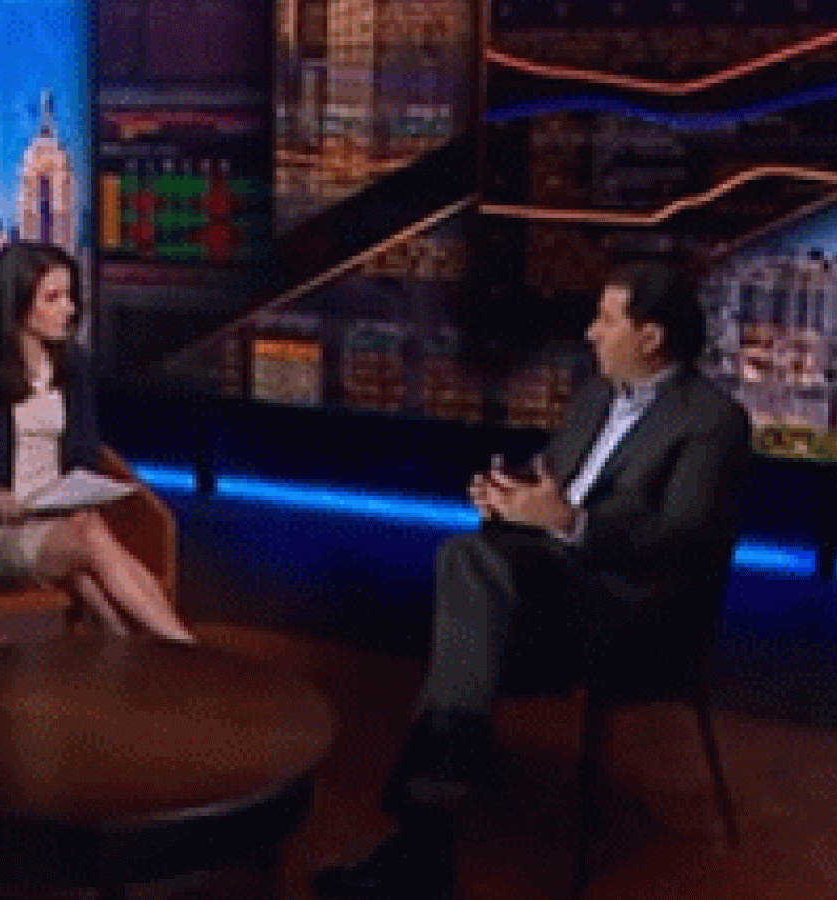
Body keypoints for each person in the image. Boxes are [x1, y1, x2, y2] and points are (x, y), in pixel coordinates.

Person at [314, 260, 752, 899]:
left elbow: (683, 541)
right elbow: (553, 476)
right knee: (467, 566)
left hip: (632, 611)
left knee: (467, 570)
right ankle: (430, 818)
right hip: (554, 585)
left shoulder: (712, 421)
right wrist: (510, 496)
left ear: (651, 337)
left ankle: (425, 827)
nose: (591, 332)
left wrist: (572, 522)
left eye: (606, 319)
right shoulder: (595, 396)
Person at [0, 242, 195, 643]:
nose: (69, 309)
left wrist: (82, 488)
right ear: (16, 302)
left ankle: (152, 653)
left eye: (69, 296)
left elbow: (85, 451)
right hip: (1, 535)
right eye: (52, 298)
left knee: (89, 563)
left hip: (63, 521)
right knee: (90, 539)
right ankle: (184, 648)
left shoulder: (74, 366)